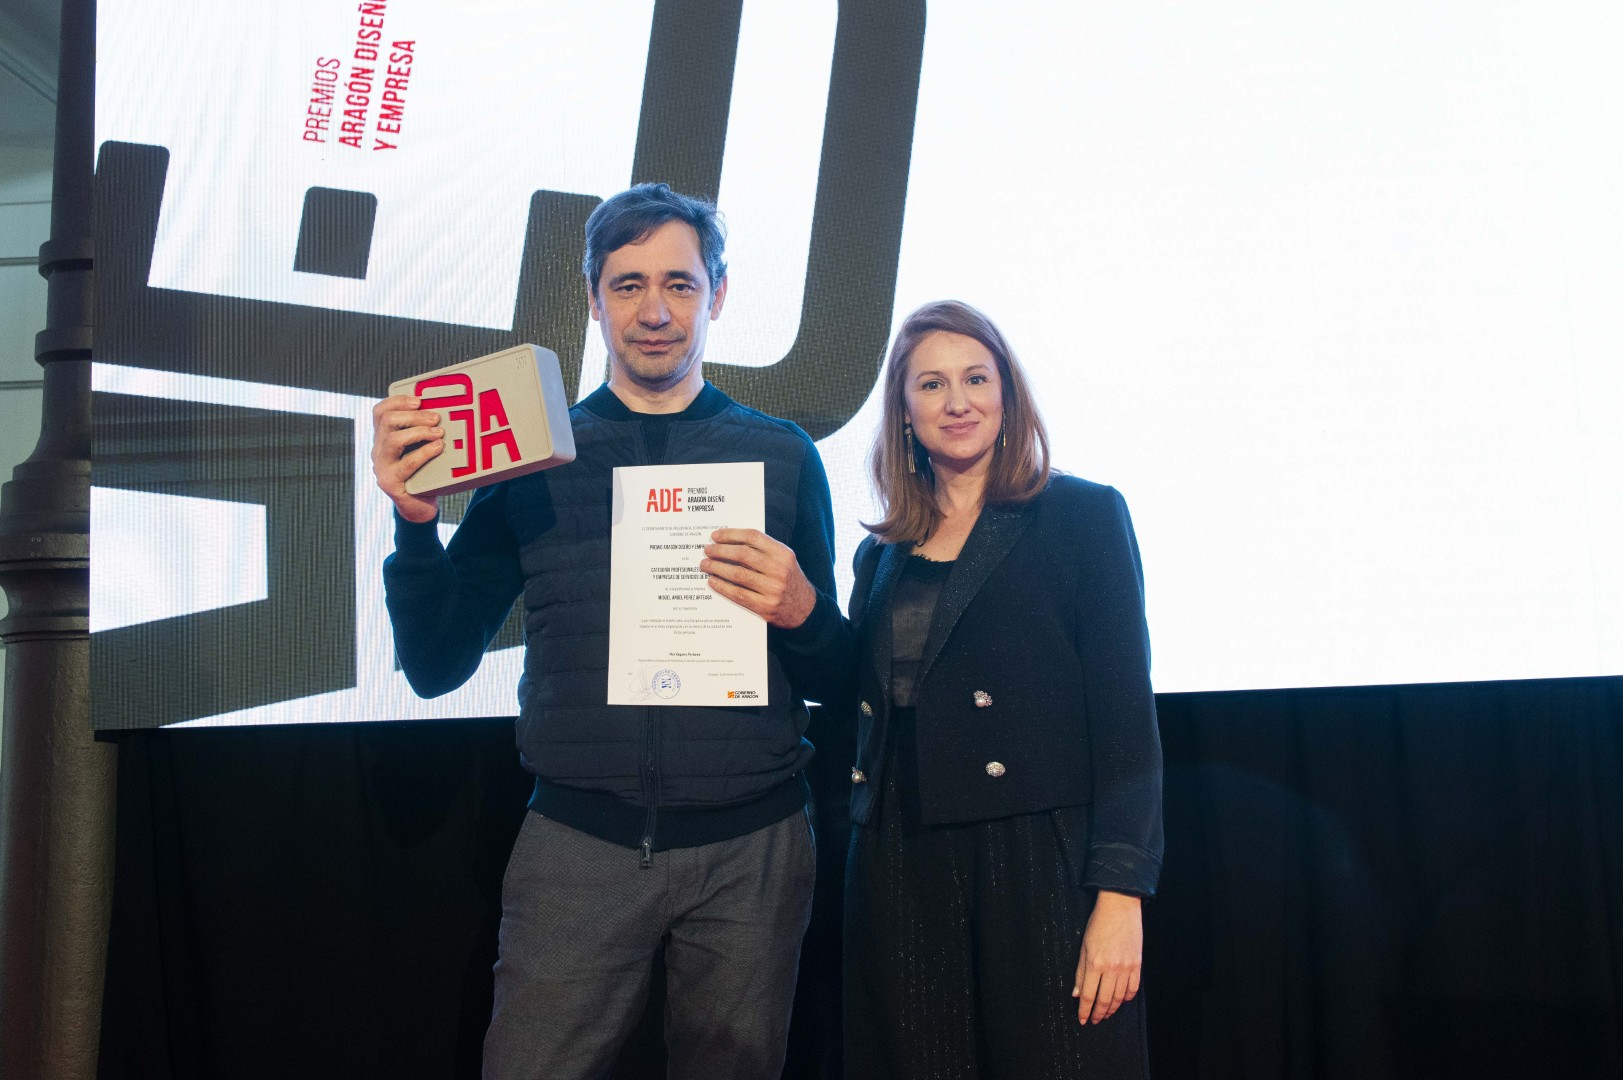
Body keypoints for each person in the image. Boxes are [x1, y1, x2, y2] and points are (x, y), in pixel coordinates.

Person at [370, 183, 851, 1080]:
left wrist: (806, 613)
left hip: (751, 849)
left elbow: (839, 674)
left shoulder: (783, 455)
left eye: (679, 283)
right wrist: (414, 526)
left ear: (717, 294)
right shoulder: (532, 461)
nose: (654, 312)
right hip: (577, 847)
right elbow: (435, 664)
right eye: (627, 285)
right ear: (593, 300)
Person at [841, 300, 1164, 1078]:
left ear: (1006, 393)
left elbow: (1125, 719)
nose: (957, 402)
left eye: (976, 379)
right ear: (903, 411)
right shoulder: (881, 553)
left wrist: (1119, 894)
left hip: (1039, 858)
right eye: (931, 385)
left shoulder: (1080, 516)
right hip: (900, 856)